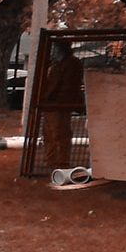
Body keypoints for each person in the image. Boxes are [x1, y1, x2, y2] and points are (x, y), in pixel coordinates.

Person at [39, 41, 84, 169]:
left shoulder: (71, 64)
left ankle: (61, 162)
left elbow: (68, 86)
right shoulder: (57, 64)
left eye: (54, 48)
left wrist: (58, 101)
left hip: (58, 104)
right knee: (50, 133)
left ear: (60, 49)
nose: (52, 51)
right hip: (51, 104)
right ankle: (52, 160)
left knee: (59, 133)